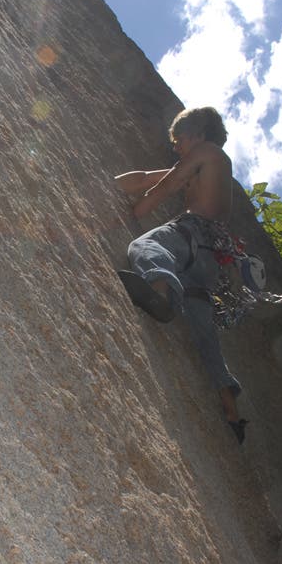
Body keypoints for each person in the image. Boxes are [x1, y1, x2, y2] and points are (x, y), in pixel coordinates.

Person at [114, 106, 248, 444]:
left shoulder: (208, 152)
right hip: (210, 262)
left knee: (145, 248)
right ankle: (230, 406)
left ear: (200, 135)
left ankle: (160, 290)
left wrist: (137, 212)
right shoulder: (208, 167)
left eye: (180, 139)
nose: (176, 147)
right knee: (203, 328)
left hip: (193, 234)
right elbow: (144, 179)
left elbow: (164, 188)